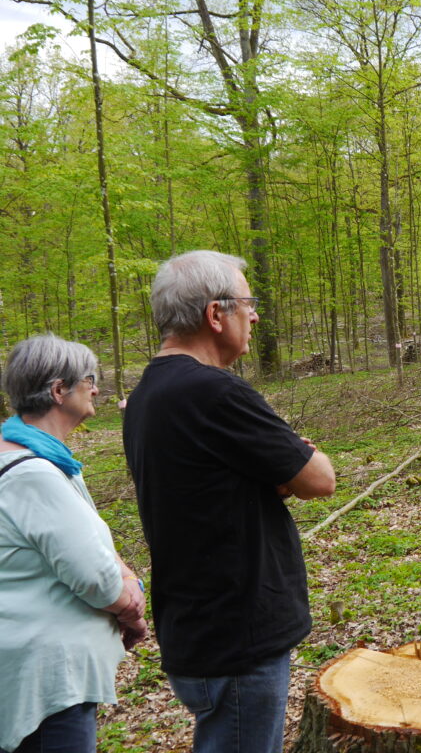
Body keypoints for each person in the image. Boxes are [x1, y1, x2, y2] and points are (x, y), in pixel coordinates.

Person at [123, 250, 336, 753]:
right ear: (215, 315)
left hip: (196, 626)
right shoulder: (216, 393)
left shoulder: (149, 394)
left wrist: (275, 478)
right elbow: (321, 478)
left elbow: (203, 488)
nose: (255, 315)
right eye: (247, 304)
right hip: (239, 634)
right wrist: (285, 474)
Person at [0, 334, 147, 753]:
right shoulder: (32, 473)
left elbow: (91, 542)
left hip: (38, 673)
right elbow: (94, 576)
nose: (96, 387)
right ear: (58, 390)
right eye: (89, 378)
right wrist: (131, 608)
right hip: (47, 683)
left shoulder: (42, 460)